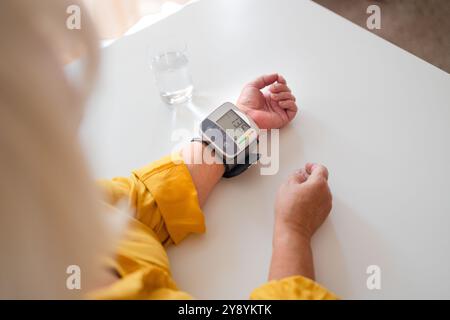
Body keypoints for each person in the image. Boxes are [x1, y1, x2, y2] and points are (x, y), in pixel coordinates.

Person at [0, 0, 336, 299]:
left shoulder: (43, 205)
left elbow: (139, 205)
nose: (72, 94)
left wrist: (241, 122)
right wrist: (294, 233)